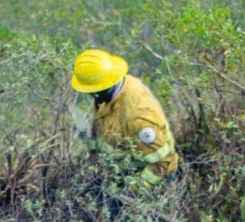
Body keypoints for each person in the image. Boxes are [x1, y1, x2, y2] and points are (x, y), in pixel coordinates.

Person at [71, 48, 179, 192]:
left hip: (152, 179)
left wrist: (131, 191)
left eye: (91, 90)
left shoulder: (137, 118)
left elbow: (163, 163)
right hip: (121, 171)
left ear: (101, 88)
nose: (89, 94)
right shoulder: (112, 91)